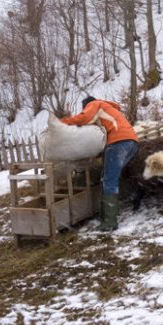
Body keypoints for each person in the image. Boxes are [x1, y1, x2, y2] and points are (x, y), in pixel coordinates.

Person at [61, 96, 138, 232]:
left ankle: (109, 222)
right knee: (108, 177)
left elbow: (84, 118)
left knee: (109, 180)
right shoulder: (110, 109)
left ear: (87, 105)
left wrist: (62, 123)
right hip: (131, 142)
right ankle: (106, 216)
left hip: (118, 143)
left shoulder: (95, 104)